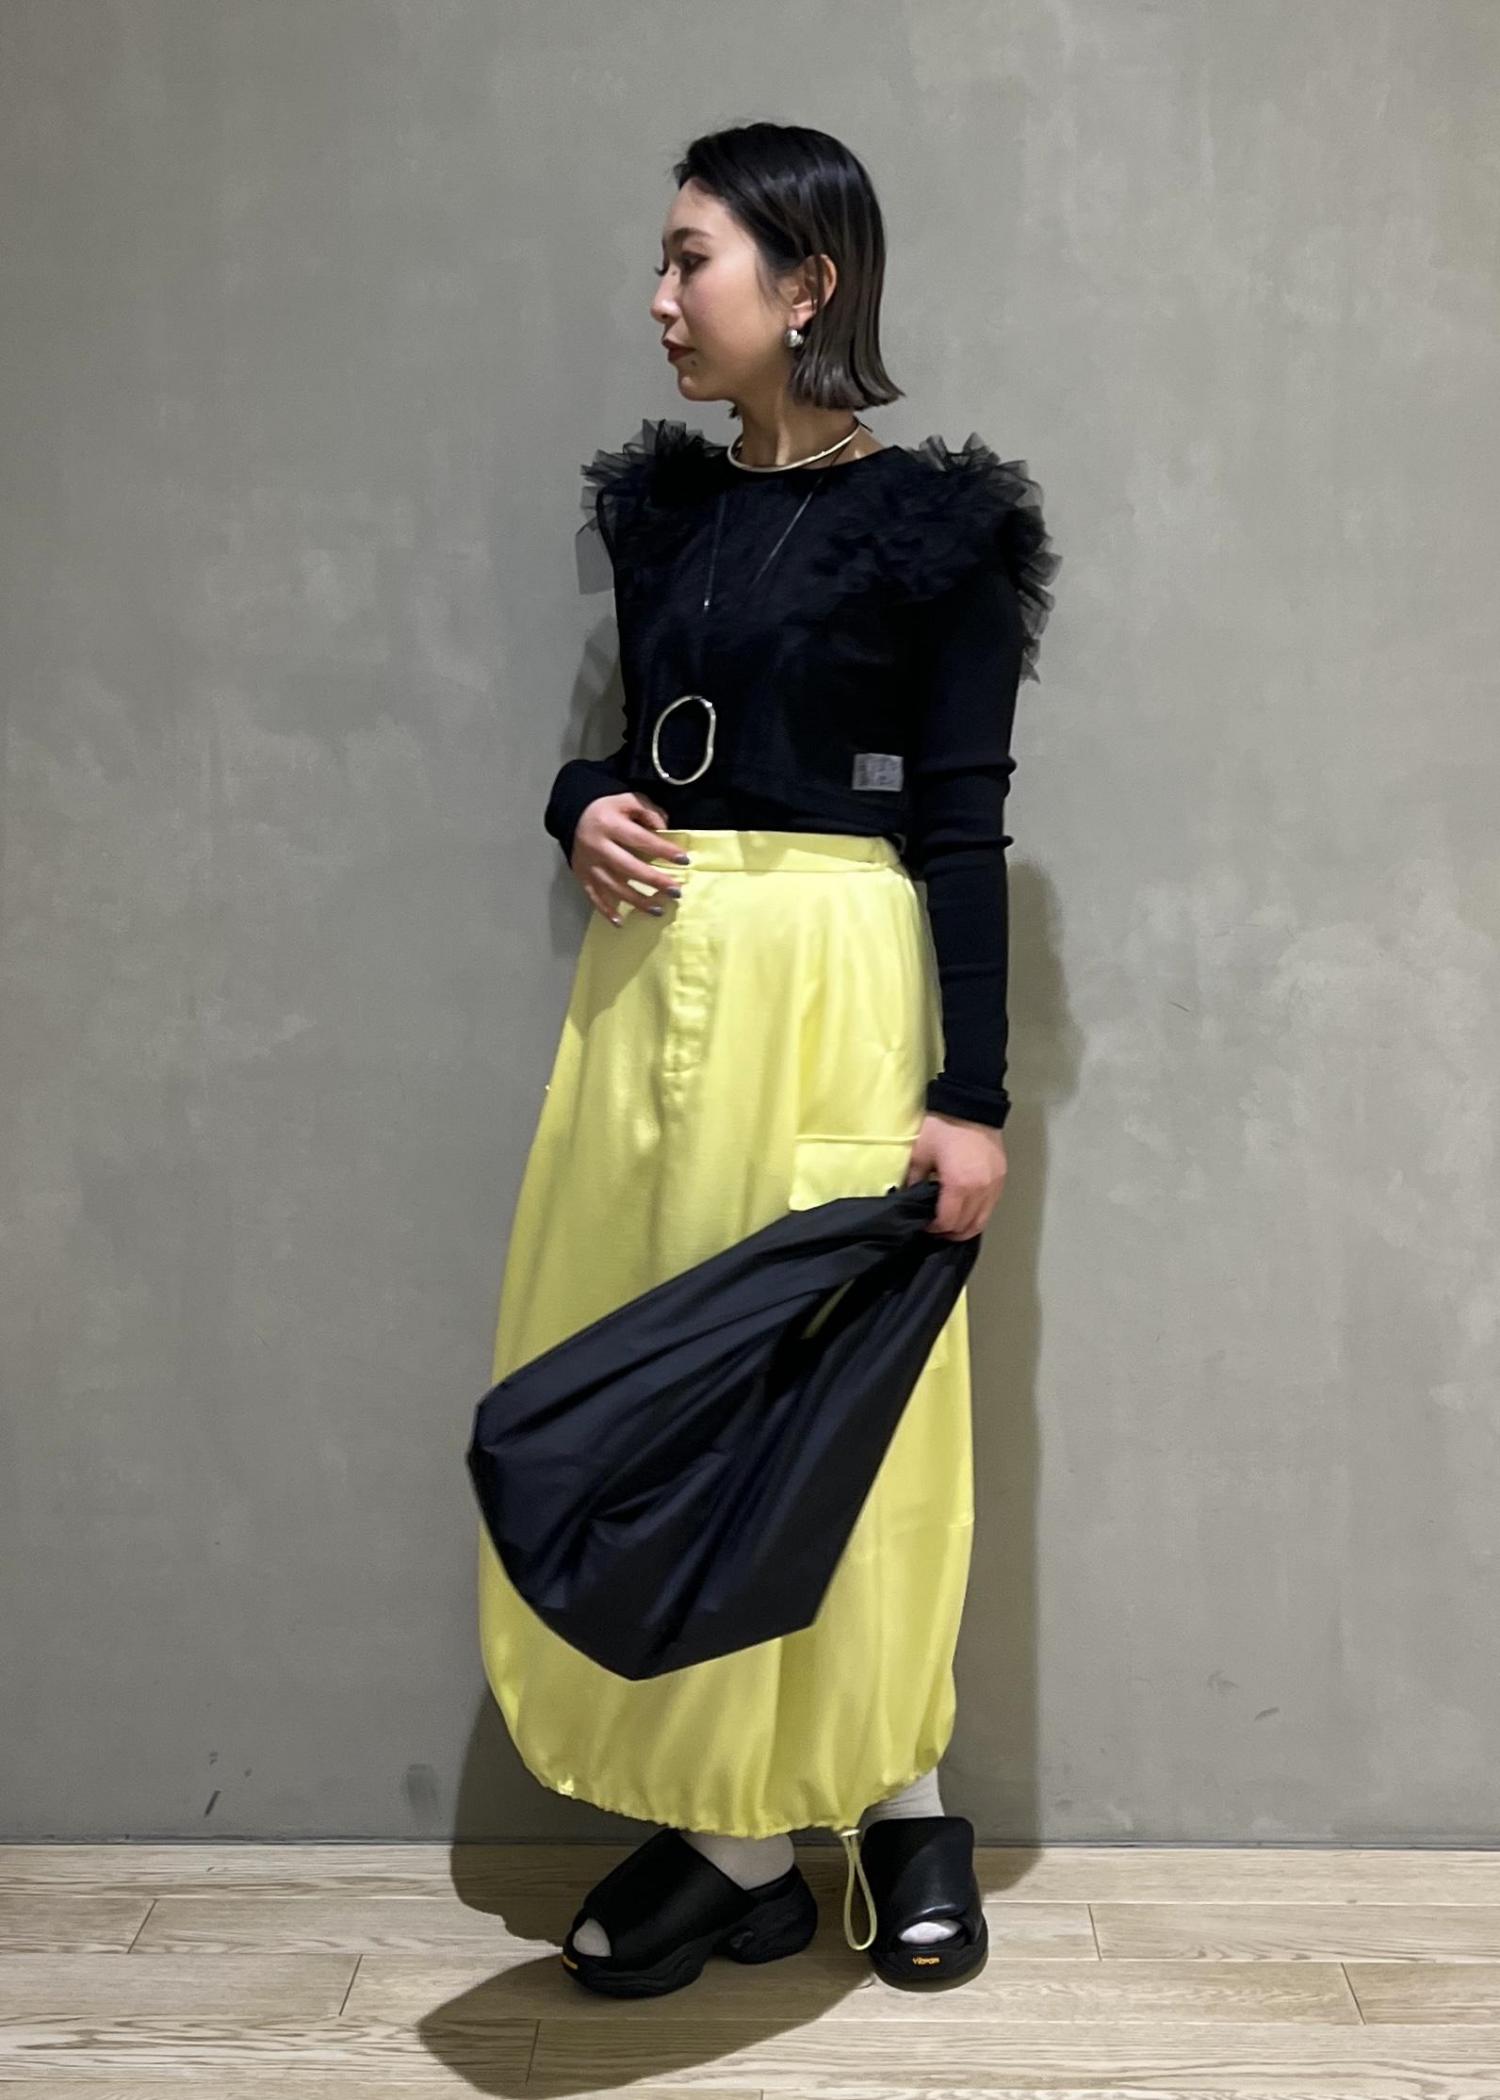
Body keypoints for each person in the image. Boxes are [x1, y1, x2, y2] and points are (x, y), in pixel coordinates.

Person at [477, 120, 1058, 1999]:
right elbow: (661, 738)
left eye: (691, 261)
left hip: (834, 986)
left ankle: (888, 1799)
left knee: (846, 1404)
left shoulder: (936, 531)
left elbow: (959, 826)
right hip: (656, 996)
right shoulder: (666, 511)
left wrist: (970, 1098)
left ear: (807, 286)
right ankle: (739, 1819)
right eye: (662, 262)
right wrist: (580, 796)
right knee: (676, 1400)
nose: (658, 299)